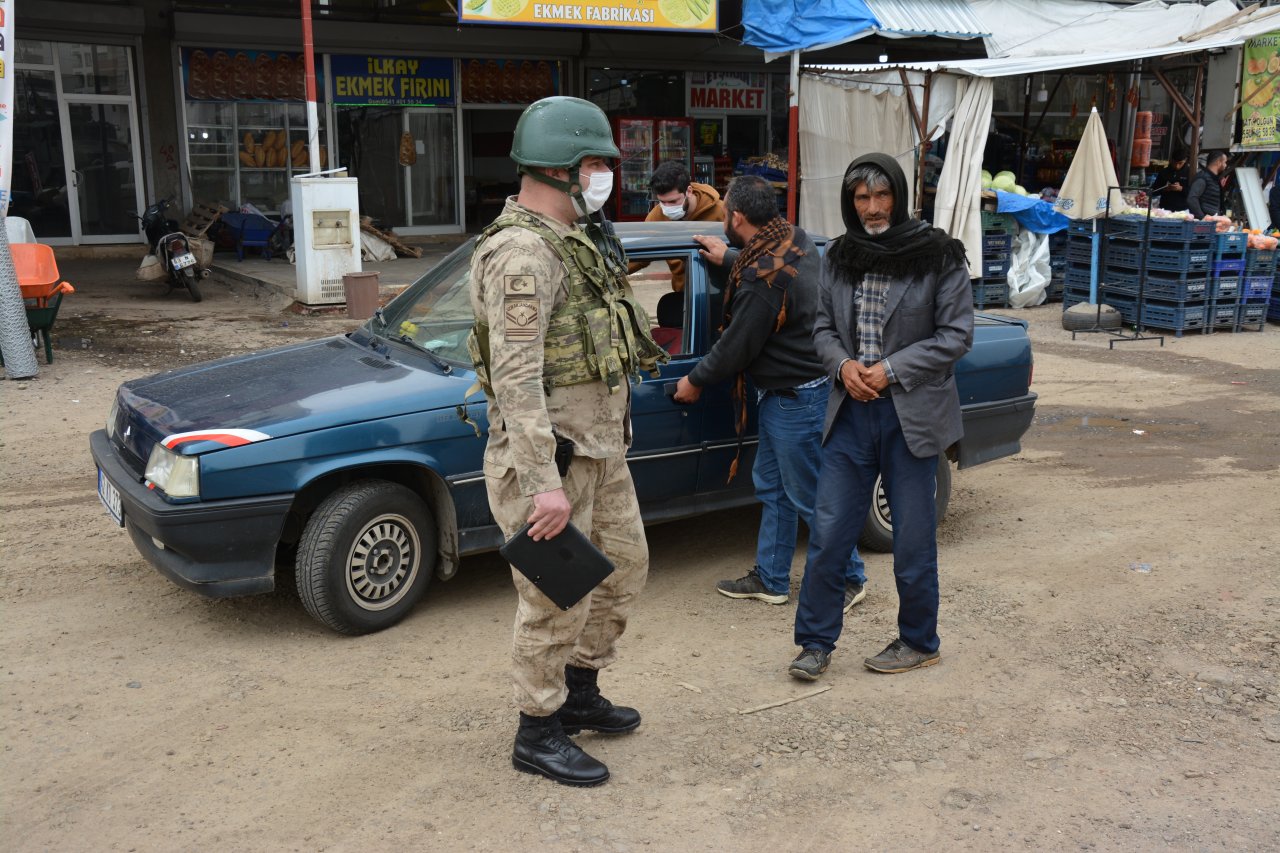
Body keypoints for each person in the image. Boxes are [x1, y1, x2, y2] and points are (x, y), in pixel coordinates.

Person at [466, 96, 667, 787]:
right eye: (595, 163)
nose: (605, 175)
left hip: (600, 451)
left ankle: (581, 692)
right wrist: (542, 485)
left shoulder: (574, 237)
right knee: (556, 599)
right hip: (551, 464)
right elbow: (516, 378)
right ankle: (537, 728)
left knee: (624, 569)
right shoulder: (522, 252)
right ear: (559, 168)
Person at [788, 153, 973, 681]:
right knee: (829, 534)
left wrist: (888, 371)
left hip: (910, 417)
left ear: (899, 195)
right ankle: (815, 643)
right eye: (862, 197)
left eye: (882, 194)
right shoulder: (840, 255)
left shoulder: (937, 254)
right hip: (850, 415)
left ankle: (919, 641)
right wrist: (843, 366)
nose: (872, 207)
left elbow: (956, 335)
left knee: (912, 539)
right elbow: (822, 328)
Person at [672, 175, 868, 612]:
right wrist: (730, 257)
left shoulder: (763, 282)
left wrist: (694, 381)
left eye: (726, 210)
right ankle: (772, 579)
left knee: (808, 496)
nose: (723, 216)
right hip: (790, 395)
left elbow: (736, 346)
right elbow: (770, 271)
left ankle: (851, 577)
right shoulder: (792, 237)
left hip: (796, 399)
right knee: (775, 489)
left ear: (738, 218)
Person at [637, 161, 727, 293]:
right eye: (662, 202)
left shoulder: (721, 211)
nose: (667, 208)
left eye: (673, 201)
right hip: (683, 293)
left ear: (689, 191)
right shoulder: (656, 217)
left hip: (721, 291)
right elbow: (641, 253)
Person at [1187, 150, 1229, 219]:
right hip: (1204, 222)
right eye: (1225, 162)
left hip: (1212, 220)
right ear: (1219, 162)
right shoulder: (1202, 178)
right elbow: (1192, 199)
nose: (1226, 165)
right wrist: (1202, 218)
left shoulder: (1214, 179)